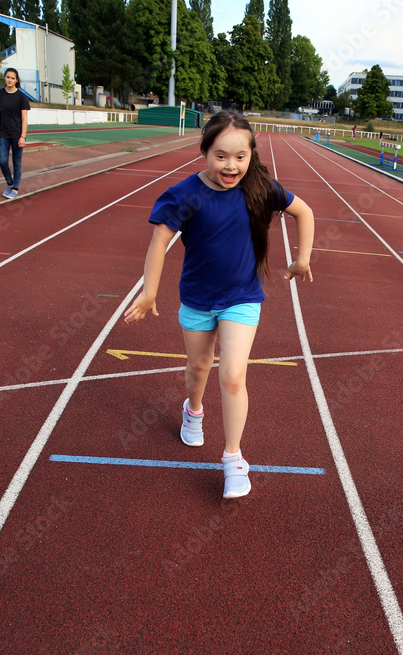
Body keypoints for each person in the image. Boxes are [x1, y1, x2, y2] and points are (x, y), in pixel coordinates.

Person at [124, 111, 314, 499]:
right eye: (221, 155)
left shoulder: (259, 187)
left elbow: (304, 212)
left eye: (240, 157)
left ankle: (233, 460)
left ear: (251, 155)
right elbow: (159, 241)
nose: (231, 166)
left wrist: (302, 259)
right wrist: (149, 292)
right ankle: (193, 410)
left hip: (242, 299)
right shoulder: (185, 194)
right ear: (205, 152)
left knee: (231, 375)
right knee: (198, 369)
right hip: (196, 298)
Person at [0, 67, 30, 199]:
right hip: (3, 134)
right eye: (8, 77)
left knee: (16, 162)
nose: (10, 80)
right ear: (5, 78)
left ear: (16, 80)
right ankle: (9, 182)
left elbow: (24, 118)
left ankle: (15, 188)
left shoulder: (21, 97)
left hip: (17, 134)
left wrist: (23, 136)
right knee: (2, 161)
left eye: (12, 78)